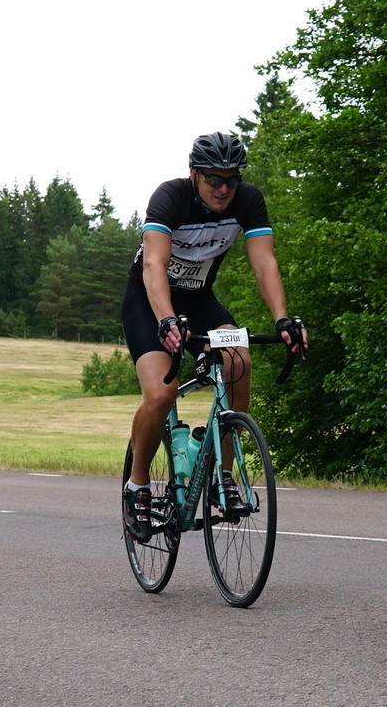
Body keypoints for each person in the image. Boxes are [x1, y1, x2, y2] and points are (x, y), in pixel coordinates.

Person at [122, 131, 307, 542]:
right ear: (194, 174)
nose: (224, 189)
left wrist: (282, 319)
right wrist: (167, 320)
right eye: (213, 179)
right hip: (149, 301)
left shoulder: (247, 200)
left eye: (232, 180)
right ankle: (137, 485)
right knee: (161, 395)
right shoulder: (170, 198)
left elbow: (264, 262)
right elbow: (154, 265)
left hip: (200, 300)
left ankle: (223, 473)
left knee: (239, 359)